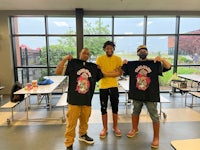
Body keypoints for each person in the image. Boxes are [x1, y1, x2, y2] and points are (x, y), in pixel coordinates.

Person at [122, 45, 171, 149]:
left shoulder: (154, 63)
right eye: (140, 50)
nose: (142, 51)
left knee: (154, 115)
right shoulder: (132, 64)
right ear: (137, 53)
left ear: (147, 52)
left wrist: (161, 59)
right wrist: (124, 63)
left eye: (144, 50)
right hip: (137, 93)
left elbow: (169, 66)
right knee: (135, 111)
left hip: (151, 93)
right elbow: (123, 72)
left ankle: (156, 137)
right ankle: (134, 129)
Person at [56, 48, 103, 150]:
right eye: (84, 53)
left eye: (87, 53)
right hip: (74, 100)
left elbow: (101, 76)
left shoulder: (93, 67)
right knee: (71, 123)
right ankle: (69, 144)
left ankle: (83, 135)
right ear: (79, 54)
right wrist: (64, 60)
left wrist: (99, 68)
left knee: (85, 121)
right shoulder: (73, 64)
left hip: (87, 100)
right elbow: (58, 72)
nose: (86, 55)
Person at [96, 41, 123, 138]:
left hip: (114, 86)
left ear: (113, 49)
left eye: (111, 48)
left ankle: (115, 127)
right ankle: (105, 128)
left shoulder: (118, 59)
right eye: (107, 48)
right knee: (103, 108)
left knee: (115, 107)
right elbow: (100, 73)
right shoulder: (99, 59)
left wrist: (106, 73)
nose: (109, 50)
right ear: (104, 49)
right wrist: (112, 72)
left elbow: (119, 73)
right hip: (103, 86)